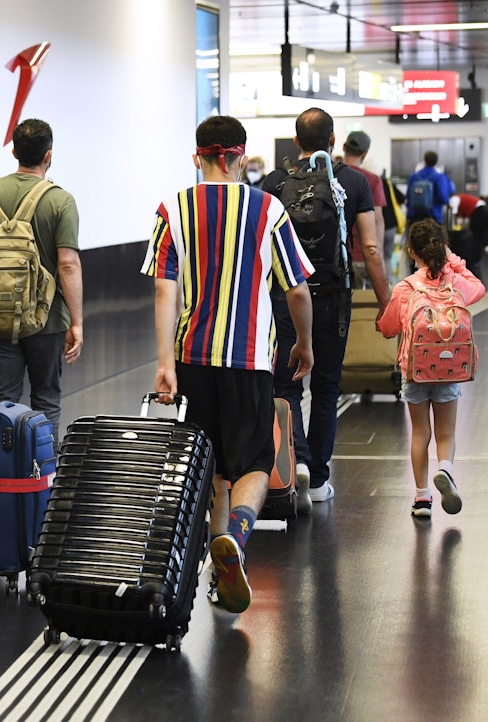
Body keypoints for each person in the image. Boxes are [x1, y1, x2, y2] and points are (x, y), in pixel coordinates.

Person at [140, 115, 314, 614]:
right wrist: (304, 343)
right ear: (239, 157)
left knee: (212, 465)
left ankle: (220, 571)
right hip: (250, 359)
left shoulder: (173, 208)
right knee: (255, 461)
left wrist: (165, 363)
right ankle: (236, 535)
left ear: (198, 157)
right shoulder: (268, 208)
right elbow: (297, 289)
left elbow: (162, 289)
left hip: (192, 356)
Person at [261, 107, 391, 510]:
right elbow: (370, 247)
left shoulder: (274, 181)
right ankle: (318, 480)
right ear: (333, 140)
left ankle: (296, 460)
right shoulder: (353, 181)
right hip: (334, 297)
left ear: (296, 141)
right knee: (326, 387)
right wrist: (387, 304)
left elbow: (260, 245)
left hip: (285, 296)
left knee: (285, 387)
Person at [0, 118, 84, 441]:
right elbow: (68, 264)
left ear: (13, 151)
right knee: (46, 398)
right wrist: (77, 322)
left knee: (1, 401)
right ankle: (42, 475)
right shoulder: (60, 200)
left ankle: (0, 474)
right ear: (49, 156)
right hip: (49, 320)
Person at [377, 219, 485, 518]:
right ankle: (446, 470)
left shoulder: (406, 288)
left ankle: (422, 498)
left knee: (420, 432)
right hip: (450, 368)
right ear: (443, 247)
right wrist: (453, 261)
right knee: (446, 432)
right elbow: (479, 288)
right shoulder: (457, 284)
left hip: (415, 372)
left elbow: (388, 328)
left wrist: (385, 326)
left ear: (412, 251)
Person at [342, 131, 386, 289]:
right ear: (365, 153)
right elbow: (377, 220)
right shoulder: (372, 180)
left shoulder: (329, 176)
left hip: (334, 259)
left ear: (343, 147)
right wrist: (377, 256)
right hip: (361, 258)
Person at [449, 192, 488, 277]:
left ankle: (473, 260)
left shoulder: (454, 199)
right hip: (487, 211)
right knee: (479, 239)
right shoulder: (464, 203)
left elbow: (454, 211)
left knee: (474, 238)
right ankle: (477, 259)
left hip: (480, 212)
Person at [407, 150, 454, 225]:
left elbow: (408, 196)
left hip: (415, 217)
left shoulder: (414, 177)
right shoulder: (439, 177)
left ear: (424, 161)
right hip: (433, 216)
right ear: (436, 162)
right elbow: (443, 196)